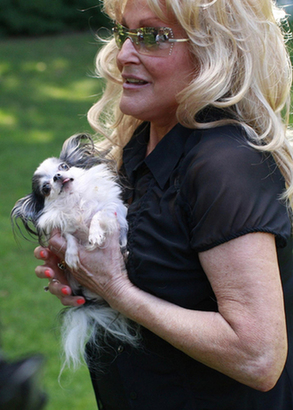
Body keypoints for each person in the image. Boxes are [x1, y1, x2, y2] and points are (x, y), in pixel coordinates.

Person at [34, 0, 293, 408]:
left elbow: (258, 357)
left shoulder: (226, 164)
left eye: (152, 36)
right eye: (124, 32)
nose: (122, 55)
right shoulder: (140, 146)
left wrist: (115, 288)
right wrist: (87, 280)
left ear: (215, 53)